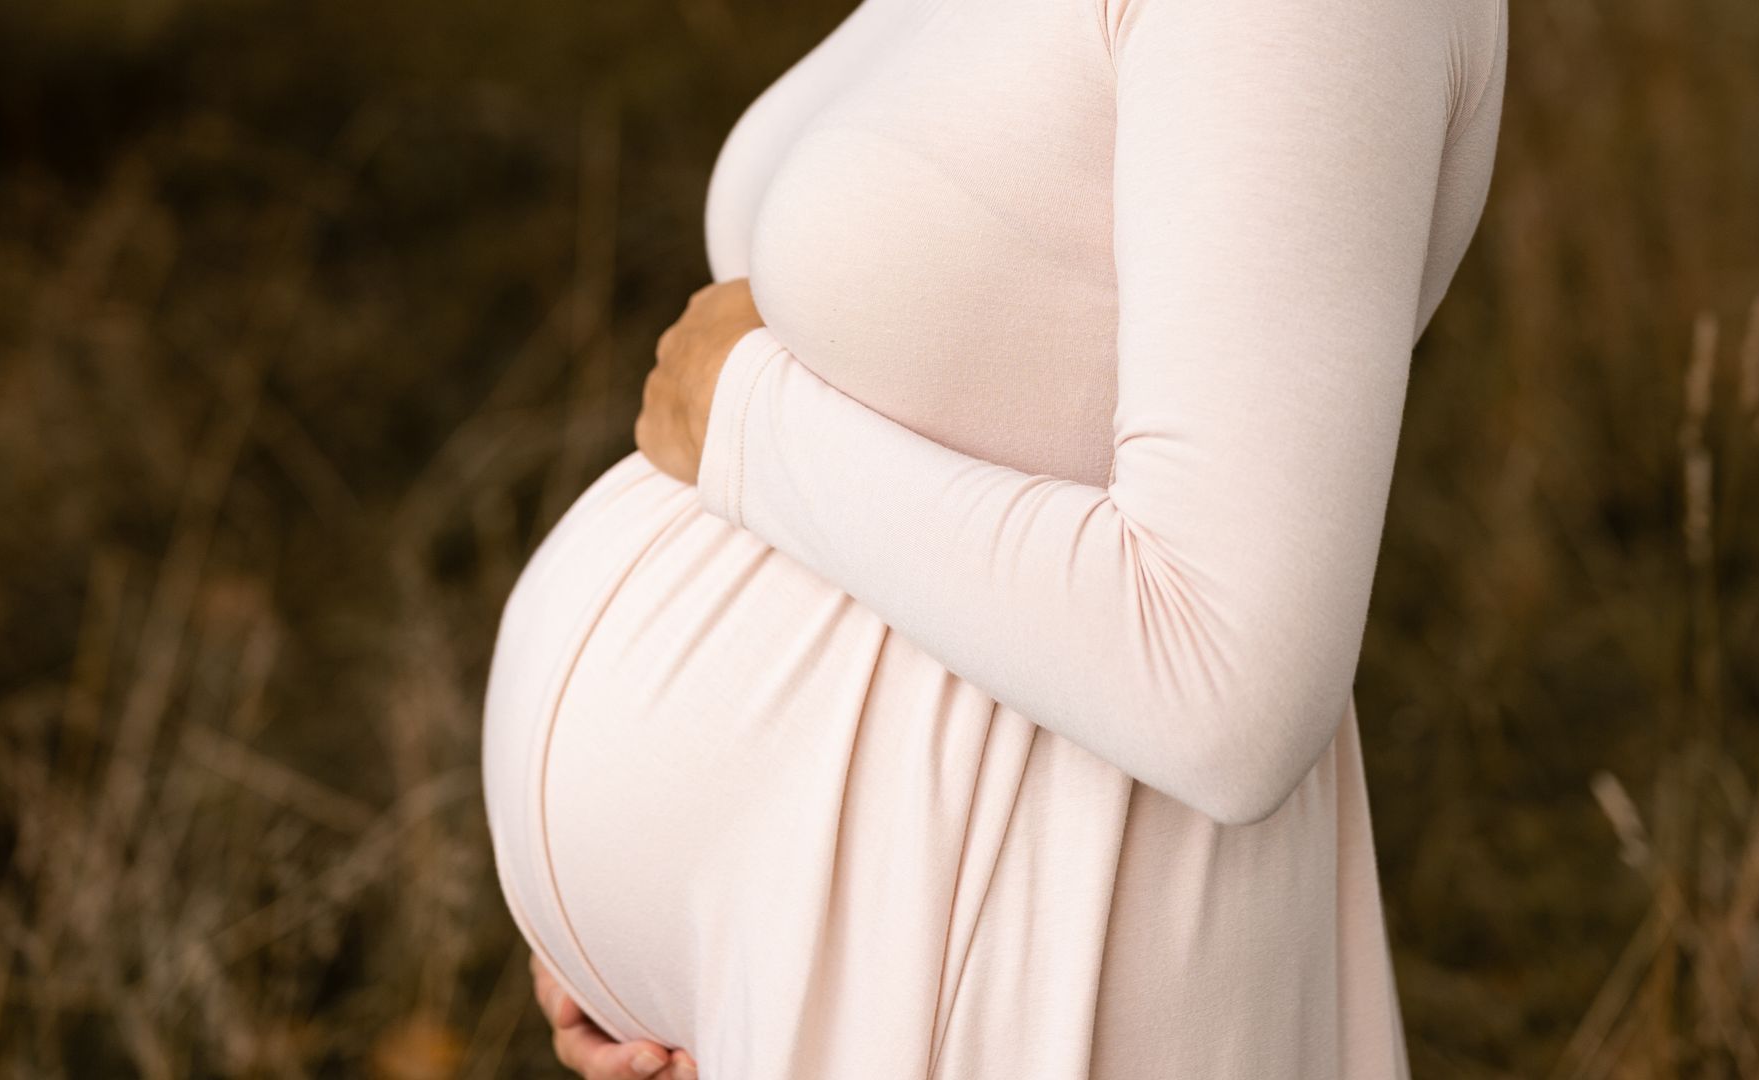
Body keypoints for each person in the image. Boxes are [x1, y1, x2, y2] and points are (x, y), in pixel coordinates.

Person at [482, 0, 1510, 1076]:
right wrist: (626, 936)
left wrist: (751, 427)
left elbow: (1227, 674)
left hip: (1031, 953)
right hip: (808, 968)